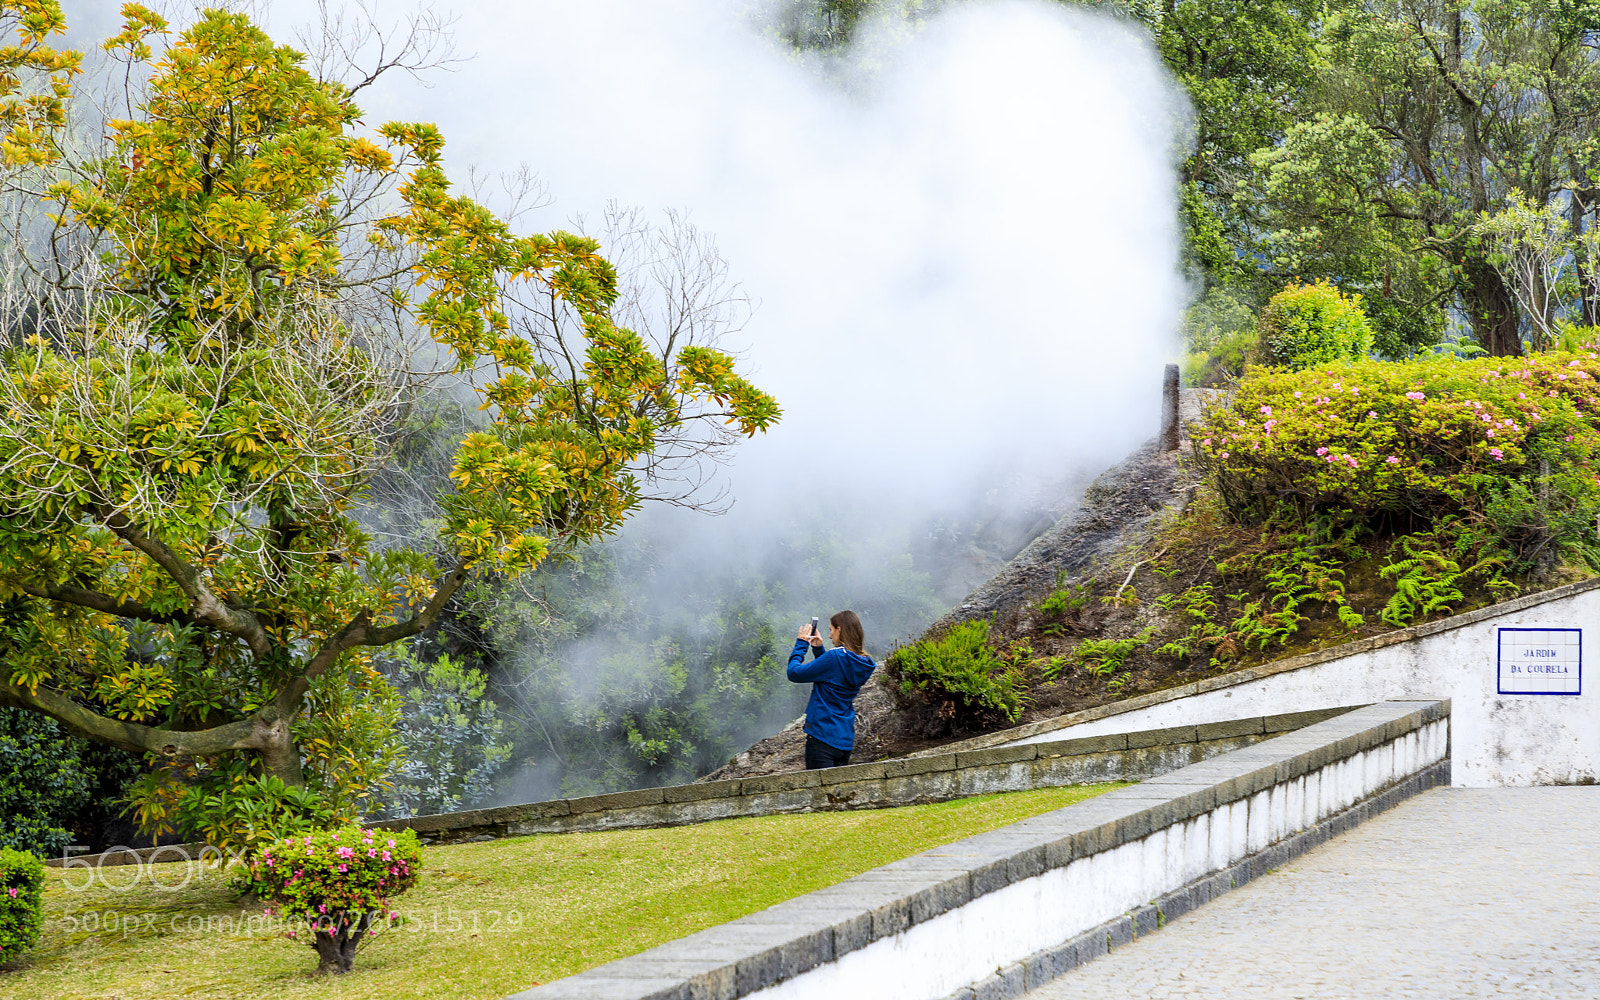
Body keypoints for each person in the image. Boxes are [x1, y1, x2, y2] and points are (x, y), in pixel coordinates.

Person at [787, 610, 876, 770]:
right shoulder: (863, 663)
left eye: (831, 630)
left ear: (839, 629)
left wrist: (801, 644)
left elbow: (794, 673)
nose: (829, 636)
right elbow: (834, 675)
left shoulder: (835, 658)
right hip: (844, 741)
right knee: (837, 793)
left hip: (822, 737)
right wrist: (818, 650)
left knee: (820, 793)